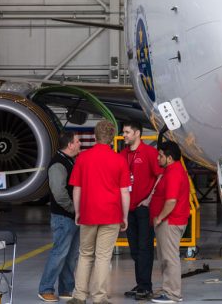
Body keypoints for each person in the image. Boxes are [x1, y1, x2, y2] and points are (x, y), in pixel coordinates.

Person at [68, 120, 130, 304]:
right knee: (103, 257)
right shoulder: (119, 160)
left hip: (88, 213)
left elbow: (76, 189)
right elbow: (124, 191)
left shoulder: (83, 158)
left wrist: (78, 212)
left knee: (85, 255)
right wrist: (124, 216)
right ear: (112, 139)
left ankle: (79, 296)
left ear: (95, 136)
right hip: (111, 214)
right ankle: (99, 297)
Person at [38, 131, 82, 302]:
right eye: (77, 141)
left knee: (71, 255)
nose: (80, 144)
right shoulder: (58, 164)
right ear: (70, 145)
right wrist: (74, 209)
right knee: (59, 253)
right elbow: (59, 193)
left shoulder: (69, 160)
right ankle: (45, 288)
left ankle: (66, 289)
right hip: (64, 217)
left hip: (72, 216)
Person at [121, 121, 162, 301]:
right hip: (128, 209)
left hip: (143, 208)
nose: (124, 135)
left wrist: (150, 198)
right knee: (135, 249)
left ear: (137, 133)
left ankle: (146, 286)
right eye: (123, 132)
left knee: (145, 248)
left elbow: (161, 174)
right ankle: (141, 283)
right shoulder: (122, 154)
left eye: (127, 132)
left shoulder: (150, 153)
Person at [150, 140, 190, 304]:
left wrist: (159, 218)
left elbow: (171, 201)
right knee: (165, 257)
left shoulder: (174, 173)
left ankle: (173, 293)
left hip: (170, 222)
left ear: (170, 157)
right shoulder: (171, 170)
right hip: (169, 221)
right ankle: (168, 288)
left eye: (160, 156)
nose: (158, 158)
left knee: (169, 258)